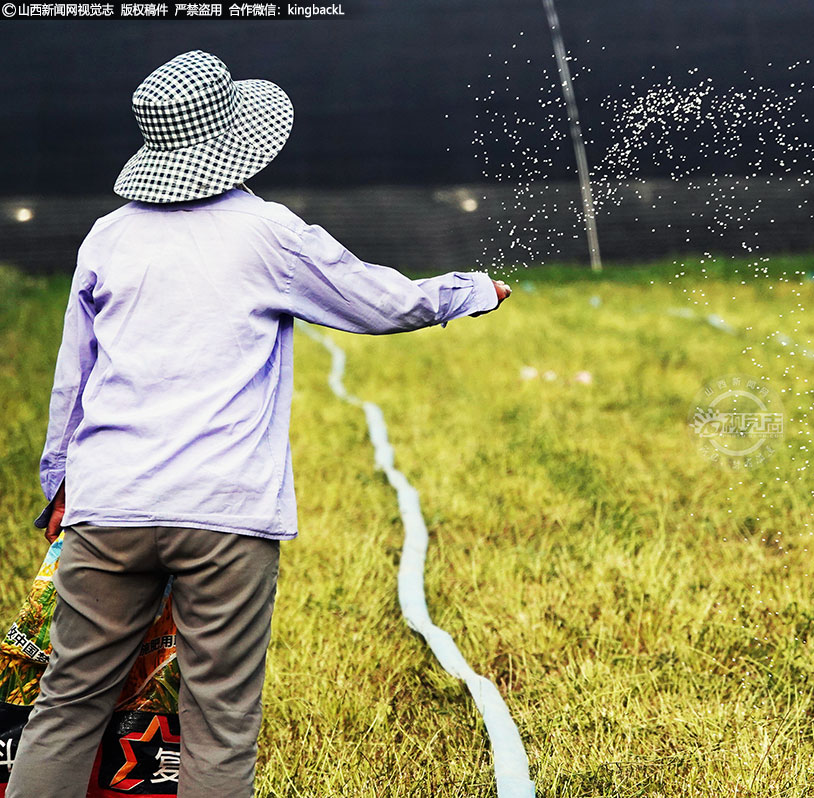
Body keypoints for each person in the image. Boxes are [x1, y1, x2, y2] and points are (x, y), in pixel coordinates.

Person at [6, 50, 511, 798]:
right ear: (238, 140)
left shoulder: (107, 238)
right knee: (219, 720)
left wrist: (59, 490)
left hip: (105, 508)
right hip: (225, 516)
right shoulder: (265, 233)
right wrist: (467, 291)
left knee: (70, 703)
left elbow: (70, 383)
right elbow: (375, 300)